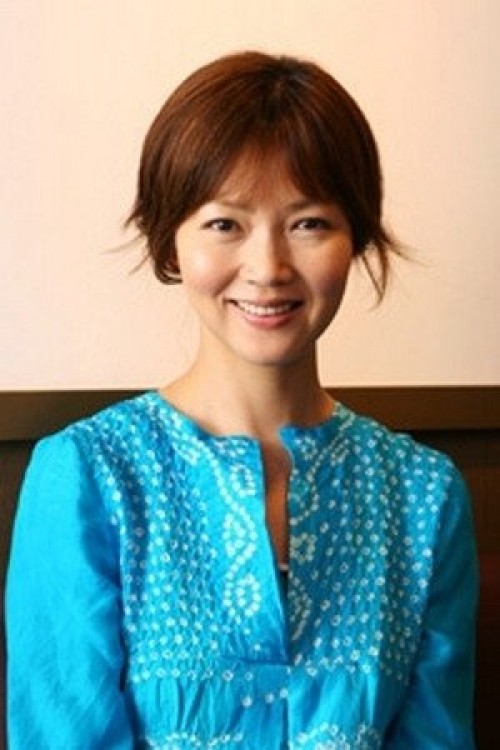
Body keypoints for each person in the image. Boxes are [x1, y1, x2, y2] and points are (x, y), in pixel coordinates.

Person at [6, 51, 477, 749]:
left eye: (309, 222)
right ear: (171, 240)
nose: (268, 269)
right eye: (225, 224)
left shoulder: (423, 496)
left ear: (356, 238)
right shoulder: (89, 477)